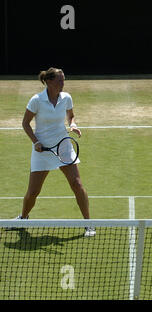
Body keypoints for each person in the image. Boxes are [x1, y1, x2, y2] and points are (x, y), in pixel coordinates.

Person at [12, 67, 95, 237]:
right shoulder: (36, 100)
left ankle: (89, 224)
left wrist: (73, 124)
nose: (63, 83)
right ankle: (23, 218)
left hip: (63, 147)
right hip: (42, 149)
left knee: (77, 184)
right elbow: (25, 123)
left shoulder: (66, 98)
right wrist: (36, 142)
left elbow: (71, 116)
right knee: (33, 192)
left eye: (63, 80)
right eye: (59, 80)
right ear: (49, 82)